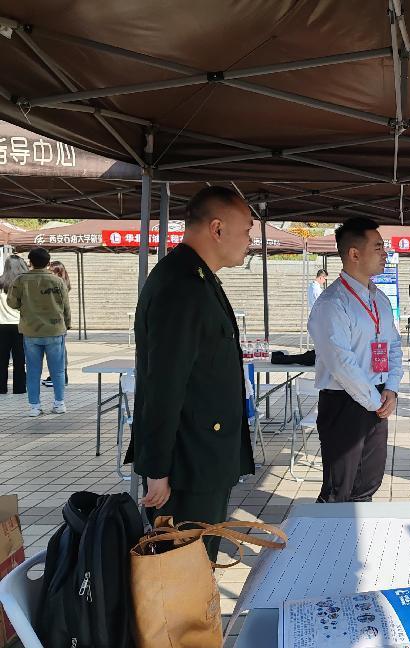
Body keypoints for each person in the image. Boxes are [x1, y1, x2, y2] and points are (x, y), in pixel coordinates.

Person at [129, 186, 255, 562]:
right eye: (246, 231)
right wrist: (157, 468)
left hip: (202, 456)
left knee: (197, 568)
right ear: (217, 228)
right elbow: (163, 384)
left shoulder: (197, 277)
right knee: (184, 571)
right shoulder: (181, 285)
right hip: (187, 464)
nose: (250, 241)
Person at [308, 217, 403, 503]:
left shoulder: (379, 299)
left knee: (368, 483)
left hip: (378, 398)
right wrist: (376, 402)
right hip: (345, 403)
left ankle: (360, 530)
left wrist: (391, 388)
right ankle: (330, 534)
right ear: (354, 254)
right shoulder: (332, 303)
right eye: (378, 247)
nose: (385, 254)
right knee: (339, 488)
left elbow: (393, 346)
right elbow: (341, 363)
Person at [6, 247, 71, 417]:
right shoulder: (57, 281)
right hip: (55, 330)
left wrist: (25, 305)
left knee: (33, 371)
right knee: (57, 370)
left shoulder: (21, 280)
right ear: (48, 262)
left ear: (30, 262)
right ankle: (59, 403)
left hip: (31, 331)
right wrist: (67, 324)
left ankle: (34, 406)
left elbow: (12, 303)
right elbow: (66, 307)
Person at [0, 255, 27, 395]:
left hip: (1, 325)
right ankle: (19, 388)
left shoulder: (0, 283)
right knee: (20, 359)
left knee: (2, 359)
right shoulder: (25, 284)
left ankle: (1, 388)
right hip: (20, 325)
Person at [42, 260, 71, 388]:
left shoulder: (58, 286)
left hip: (56, 322)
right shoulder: (60, 284)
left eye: (52, 271)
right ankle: (57, 376)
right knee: (57, 350)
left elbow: (65, 308)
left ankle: (61, 377)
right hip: (56, 322)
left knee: (58, 351)